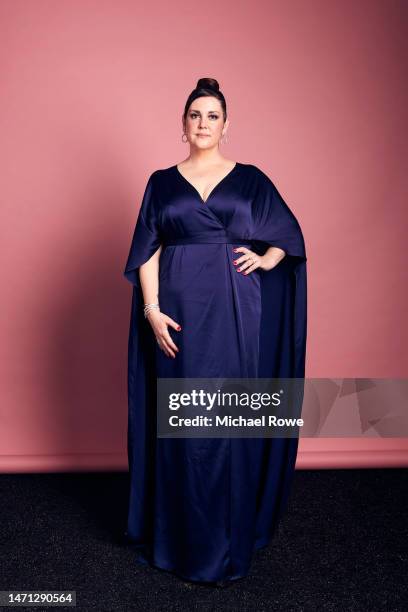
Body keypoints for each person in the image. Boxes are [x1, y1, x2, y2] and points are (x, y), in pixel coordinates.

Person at [123, 77, 307, 586]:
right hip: (176, 310)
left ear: (227, 127)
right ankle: (178, 539)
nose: (203, 124)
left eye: (212, 116)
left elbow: (288, 236)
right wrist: (152, 309)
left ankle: (226, 538)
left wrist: (266, 257)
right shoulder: (161, 181)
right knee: (182, 425)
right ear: (182, 125)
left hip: (234, 310)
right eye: (195, 115)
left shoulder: (250, 179)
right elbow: (147, 250)